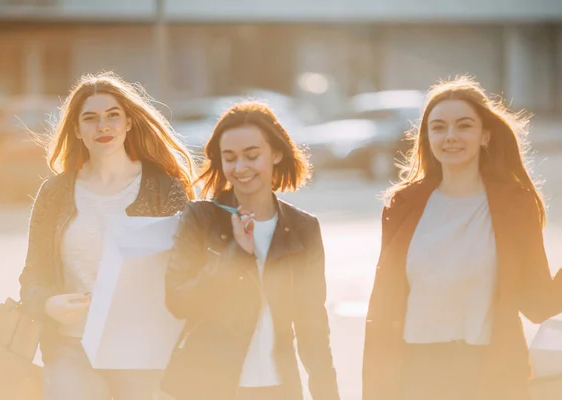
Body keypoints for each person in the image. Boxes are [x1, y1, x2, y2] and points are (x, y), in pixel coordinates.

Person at [362, 76, 562, 400]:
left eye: (464, 125)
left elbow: (537, 303)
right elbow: (383, 308)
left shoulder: (516, 205)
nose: (450, 136)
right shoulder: (403, 205)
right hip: (415, 375)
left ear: (485, 135)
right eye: (438, 127)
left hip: (489, 375)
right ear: (426, 137)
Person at [18, 71, 196, 400]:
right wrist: (47, 303)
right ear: (77, 129)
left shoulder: (164, 188)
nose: (103, 127)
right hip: (71, 347)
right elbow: (32, 275)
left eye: (113, 116)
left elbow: (189, 271)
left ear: (129, 123)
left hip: (145, 351)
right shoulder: (54, 194)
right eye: (91, 118)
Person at [160, 101, 340, 400]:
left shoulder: (303, 228)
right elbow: (178, 300)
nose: (240, 168)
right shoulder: (201, 218)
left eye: (251, 155)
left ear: (276, 153)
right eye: (229, 158)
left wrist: (327, 394)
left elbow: (313, 327)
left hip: (280, 389)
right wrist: (235, 256)